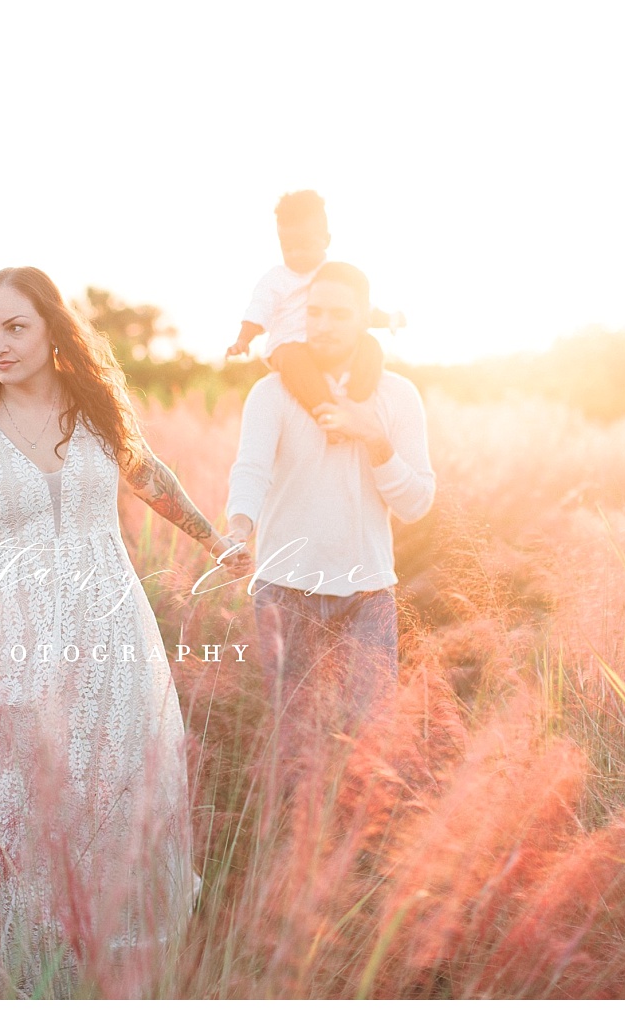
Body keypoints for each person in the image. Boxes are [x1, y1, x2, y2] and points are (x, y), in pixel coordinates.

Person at [0, 267, 253, 998]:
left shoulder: (95, 407)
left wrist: (216, 543)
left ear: (52, 328)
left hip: (105, 624)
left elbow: (155, 481)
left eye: (15, 327)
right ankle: (29, 966)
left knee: (111, 780)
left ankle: (113, 958)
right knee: (26, 795)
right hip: (4, 633)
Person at [225, 261, 434, 785]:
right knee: (298, 745)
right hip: (284, 592)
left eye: (339, 313)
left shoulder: (398, 396)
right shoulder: (271, 393)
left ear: (365, 317)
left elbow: (416, 504)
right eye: (313, 311)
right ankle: (299, 852)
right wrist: (238, 528)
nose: (323, 324)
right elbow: (250, 468)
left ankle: (363, 859)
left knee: (372, 744)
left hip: (367, 595)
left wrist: (375, 439)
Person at [224, 191, 397, 443]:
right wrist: (243, 339)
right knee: (298, 368)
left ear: (325, 240)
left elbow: (362, 308)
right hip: (288, 346)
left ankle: (357, 404)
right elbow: (258, 309)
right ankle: (330, 419)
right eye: (287, 248)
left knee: (370, 348)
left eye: (304, 246)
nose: (295, 255)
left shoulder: (332, 274)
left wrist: (391, 319)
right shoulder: (276, 279)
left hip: (326, 343)